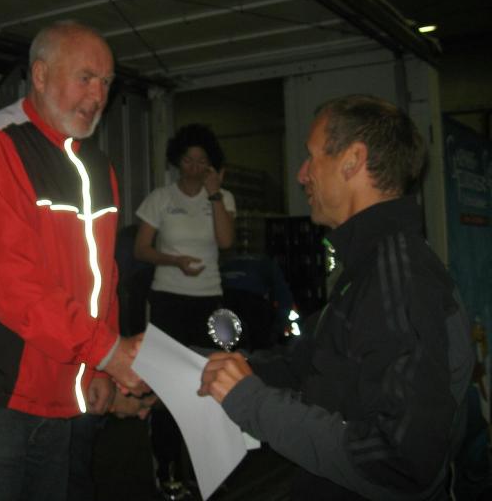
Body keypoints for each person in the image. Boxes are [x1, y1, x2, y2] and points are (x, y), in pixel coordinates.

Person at [0, 20, 147, 500]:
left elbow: (103, 276)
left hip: (59, 389)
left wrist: (99, 369)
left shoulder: (96, 165)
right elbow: (11, 282)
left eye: (106, 82)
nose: (98, 96)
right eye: (86, 78)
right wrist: (108, 352)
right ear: (39, 75)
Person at [199, 95, 474, 500]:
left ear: (352, 160)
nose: (302, 174)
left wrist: (251, 402)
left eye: (311, 157)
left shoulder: (400, 278)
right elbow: (308, 364)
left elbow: (399, 460)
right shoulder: (367, 266)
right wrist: (213, 369)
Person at [133, 123, 236, 499]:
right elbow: (141, 249)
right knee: (168, 388)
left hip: (209, 301)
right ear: (177, 161)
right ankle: (168, 469)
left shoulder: (222, 197)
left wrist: (215, 195)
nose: (194, 168)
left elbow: (226, 241)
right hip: (168, 301)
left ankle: (210, 471)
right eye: (188, 160)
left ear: (212, 166)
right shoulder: (160, 198)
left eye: (202, 162)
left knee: (211, 386)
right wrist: (174, 261)